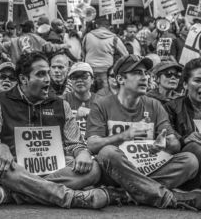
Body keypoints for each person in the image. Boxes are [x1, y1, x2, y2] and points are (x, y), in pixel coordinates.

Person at [0, 51, 110, 209]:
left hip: (50, 169)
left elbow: (75, 143)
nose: (48, 79)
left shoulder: (61, 104)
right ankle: (71, 198)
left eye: (47, 73)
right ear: (23, 79)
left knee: (93, 169)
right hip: (14, 166)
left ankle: (14, 194)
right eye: (41, 74)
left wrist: (82, 152)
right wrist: (1, 147)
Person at [86, 54, 201, 210]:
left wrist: (164, 143)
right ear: (120, 79)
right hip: (117, 171)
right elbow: (92, 144)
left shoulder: (154, 105)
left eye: (146, 73)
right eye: (137, 73)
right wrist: (124, 136)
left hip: (149, 168)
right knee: (107, 153)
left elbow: (174, 144)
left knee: (190, 161)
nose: (144, 77)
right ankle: (169, 198)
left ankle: (123, 194)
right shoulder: (101, 104)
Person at [165, 58, 201, 190]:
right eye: (198, 80)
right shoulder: (171, 108)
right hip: (185, 169)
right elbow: (167, 141)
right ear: (185, 84)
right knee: (195, 147)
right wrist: (185, 140)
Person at [0, 20, 72, 64]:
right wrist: (63, 46)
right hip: (33, 73)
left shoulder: (14, 41)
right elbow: (50, 47)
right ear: (32, 29)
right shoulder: (38, 39)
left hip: (18, 72)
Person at [82, 16, 128, 92]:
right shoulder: (114, 38)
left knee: (89, 96)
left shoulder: (87, 36)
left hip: (89, 71)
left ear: (96, 25)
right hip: (106, 71)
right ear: (109, 27)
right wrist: (117, 66)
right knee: (105, 97)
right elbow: (125, 55)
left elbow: (83, 54)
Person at [63, 62, 96, 138]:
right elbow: (56, 131)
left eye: (84, 76)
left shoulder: (101, 102)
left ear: (92, 80)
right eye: (75, 77)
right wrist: (75, 118)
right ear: (70, 81)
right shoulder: (62, 101)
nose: (79, 80)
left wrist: (93, 116)